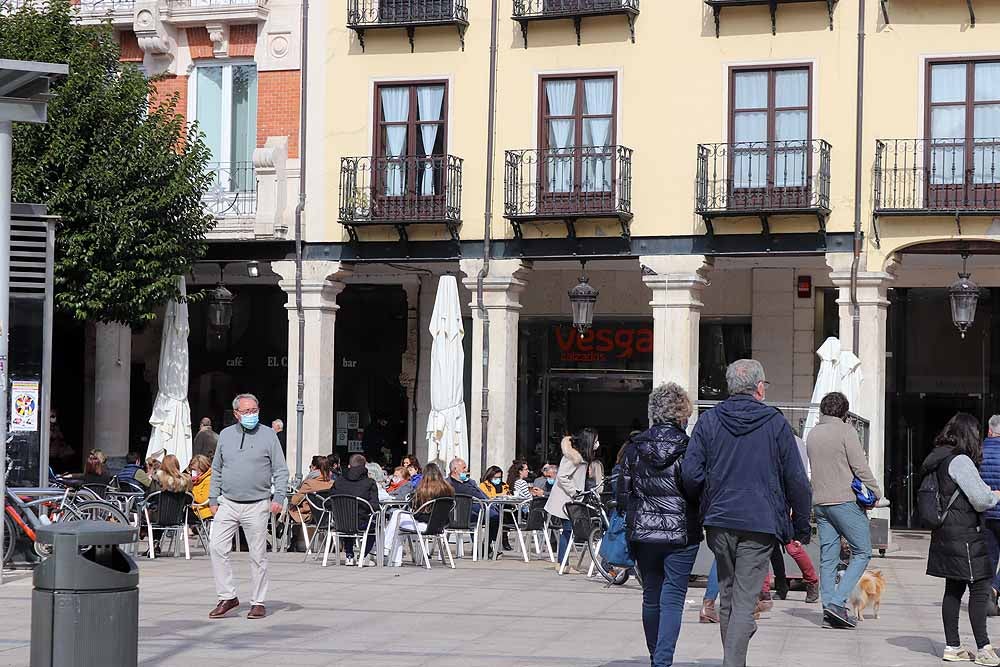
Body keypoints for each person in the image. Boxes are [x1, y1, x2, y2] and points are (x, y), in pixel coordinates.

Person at [682, 359, 811, 667]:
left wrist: (706, 500)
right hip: (759, 520)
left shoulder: (709, 421)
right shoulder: (775, 423)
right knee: (743, 599)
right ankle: (734, 661)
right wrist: (802, 526)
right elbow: (797, 480)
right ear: (759, 388)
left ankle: (734, 652)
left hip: (720, 520)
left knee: (728, 592)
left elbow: (690, 473)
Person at [619, 382, 702, 667]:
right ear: (683, 414)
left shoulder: (634, 448)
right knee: (673, 597)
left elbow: (622, 495)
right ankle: (662, 661)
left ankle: (657, 655)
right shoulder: (689, 448)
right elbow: (695, 489)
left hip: (643, 532)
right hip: (682, 533)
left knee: (651, 595)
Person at [922, 413, 1000, 665]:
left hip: (946, 532)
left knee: (953, 589)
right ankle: (984, 649)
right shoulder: (960, 461)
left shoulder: (940, 457)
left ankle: (953, 646)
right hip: (965, 533)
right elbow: (980, 499)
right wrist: (994, 495)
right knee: (980, 588)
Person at [208, 393, 288, 620]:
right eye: (246, 411)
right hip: (229, 502)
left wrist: (278, 498)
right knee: (216, 547)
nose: (251, 414)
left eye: (254, 410)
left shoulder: (269, 435)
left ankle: (258, 601)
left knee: (258, 554)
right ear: (236, 414)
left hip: (258, 503)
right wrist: (213, 499)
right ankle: (227, 596)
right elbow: (217, 469)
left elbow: (280, 469)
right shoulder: (225, 435)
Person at [805, 391, 880, 628]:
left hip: (820, 502)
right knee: (862, 551)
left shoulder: (813, 433)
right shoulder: (846, 431)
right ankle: (837, 602)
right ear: (844, 412)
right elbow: (860, 466)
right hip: (844, 501)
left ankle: (828, 609)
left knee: (828, 556)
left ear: (823, 410)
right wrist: (876, 491)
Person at [546, 428, 598, 573]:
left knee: (569, 531)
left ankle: (563, 563)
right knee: (568, 530)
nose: (597, 444)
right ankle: (563, 563)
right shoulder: (573, 457)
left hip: (573, 498)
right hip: (567, 499)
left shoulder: (581, 457)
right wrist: (574, 492)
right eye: (595, 440)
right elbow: (562, 476)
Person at [383, 462, 454, 566]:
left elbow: (415, 510)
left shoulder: (424, 490)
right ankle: (391, 555)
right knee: (398, 520)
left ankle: (387, 550)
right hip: (440, 526)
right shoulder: (448, 489)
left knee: (397, 515)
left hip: (425, 525)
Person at [333, 454, 381, 566]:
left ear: (349, 466)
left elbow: (331, 500)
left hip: (341, 523)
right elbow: (375, 506)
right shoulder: (369, 483)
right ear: (364, 466)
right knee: (374, 526)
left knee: (347, 519)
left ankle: (349, 555)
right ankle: (363, 555)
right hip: (361, 522)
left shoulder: (339, 481)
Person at [448, 458, 501, 558]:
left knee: (497, 516)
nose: (466, 470)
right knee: (493, 516)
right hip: (460, 514)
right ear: (455, 469)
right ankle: (483, 548)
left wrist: (490, 502)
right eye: (463, 468)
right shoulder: (449, 484)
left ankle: (485, 546)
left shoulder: (469, 482)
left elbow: (481, 494)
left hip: (480, 508)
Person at [980, 414, 1000, 614]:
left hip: (986, 513)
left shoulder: (979, 452)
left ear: (989, 430)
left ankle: (987, 597)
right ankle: (995, 589)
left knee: (990, 557)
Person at [288, 456, 333, 525]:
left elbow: (294, 501)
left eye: (310, 467)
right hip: (329, 517)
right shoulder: (332, 483)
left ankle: (277, 527)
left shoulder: (309, 483)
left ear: (314, 467)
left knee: (288, 508)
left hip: (311, 516)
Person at [188, 455, 213, 520]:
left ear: (202, 469)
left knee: (183, 515)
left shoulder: (208, 479)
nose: (193, 472)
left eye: (194, 470)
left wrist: (191, 493)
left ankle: (188, 530)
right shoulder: (197, 479)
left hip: (203, 511)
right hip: (195, 509)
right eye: (192, 470)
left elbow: (204, 499)